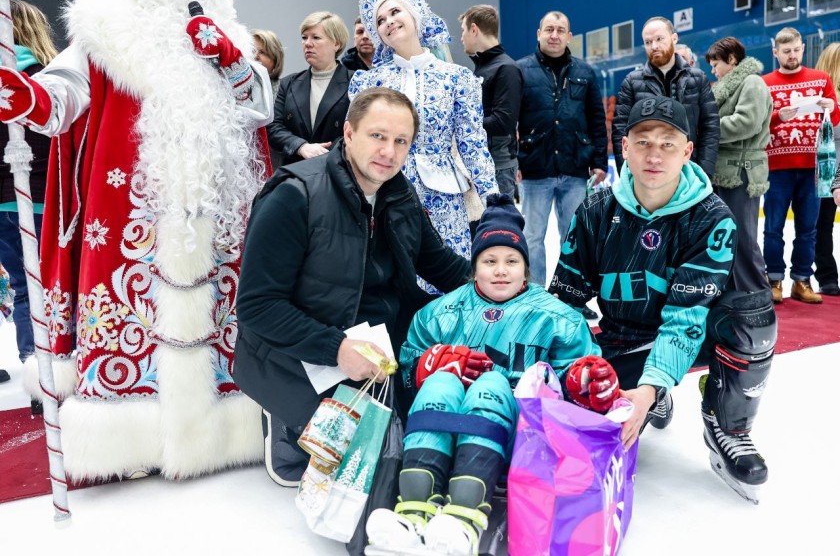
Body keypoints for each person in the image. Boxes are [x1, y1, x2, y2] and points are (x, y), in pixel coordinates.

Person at [0, 0, 274, 481]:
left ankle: (218, 435)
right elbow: (64, 95)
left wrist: (234, 63)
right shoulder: (106, 28)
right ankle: (130, 442)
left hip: (215, 219)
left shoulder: (231, 35)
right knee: (132, 322)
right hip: (130, 215)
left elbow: (260, 108)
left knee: (218, 322)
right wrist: (29, 98)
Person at [234, 87, 473, 487]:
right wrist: (337, 349)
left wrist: (508, 289)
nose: (389, 152)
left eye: (401, 141)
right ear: (348, 133)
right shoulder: (294, 195)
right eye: (377, 136)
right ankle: (285, 417)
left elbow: (442, 266)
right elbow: (257, 307)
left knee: (425, 441)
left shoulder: (400, 194)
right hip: (308, 346)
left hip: (382, 342)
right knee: (368, 468)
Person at [549, 97, 776, 505]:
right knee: (566, 387)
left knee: (751, 317)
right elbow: (564, 303)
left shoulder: (711, 217)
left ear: (687, 150)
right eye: (643, 142)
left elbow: (685, 318)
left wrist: (650, 386)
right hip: (620, 340)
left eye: (668, 143)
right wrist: (565, 369)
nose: (654, 155)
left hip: (690, 339)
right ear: (624, 147)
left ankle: (728, 425)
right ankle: (648, 387)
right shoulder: (595, 209)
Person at [365, 193, 615, 556]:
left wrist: (584, 381)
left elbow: (574, 379)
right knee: (438, 382)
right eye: (490, 260)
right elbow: (402, 383)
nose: (501, 270)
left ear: (526, 268)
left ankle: (465, 517)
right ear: (474, 266)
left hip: (519, 440)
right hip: (442, 426)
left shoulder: (557, 318)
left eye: (512, 260)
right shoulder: (439, 313)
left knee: (493, 383)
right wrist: (423, 367)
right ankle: (414, 510)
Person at [349, 0, 497, 284]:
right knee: (392, 280)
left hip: (444, 196)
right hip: (385, 194)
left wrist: (494, 200)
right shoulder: (369, 81)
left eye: (395, 11)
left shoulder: (457, 78)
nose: (387, 21)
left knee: (449, 280)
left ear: (415, 14)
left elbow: (472, 143)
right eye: (379, 20)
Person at [515, 11, 608, 295]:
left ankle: (574, 294)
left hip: (574, 168)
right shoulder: (520, 70)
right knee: (532, 237)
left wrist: (600, 160)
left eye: (560, 30)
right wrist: (513, 160)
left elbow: (596, 117)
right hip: (534, 168)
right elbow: (511, 122)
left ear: (569, 36)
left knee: (575, 237)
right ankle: (535, 295)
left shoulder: (585, 72)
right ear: (539, 34)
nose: (554, 35)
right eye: (549, 29)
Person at [762, 27, 840, 304]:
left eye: (795, 50)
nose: (792, 55)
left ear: (802, 49)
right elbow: (757, 123)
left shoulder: (820, 79)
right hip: (776, 167)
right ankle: (774, 280)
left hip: (813, 168)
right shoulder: (764, 83)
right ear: (776, 52)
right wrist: (775, 116)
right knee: (773, 228)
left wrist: (830, 106)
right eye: (786, 51)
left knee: (808, 229)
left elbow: (837, 119)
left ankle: (802, 281)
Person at [0, 0, 57, 373]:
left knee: (22, 289)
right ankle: (51, 373)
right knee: (49, 290)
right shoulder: (48, 82)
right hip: (41, 202)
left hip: (2, 205)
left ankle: (37, 375)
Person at [612, 16, 719, 177]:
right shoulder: (632, 82)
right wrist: (627, 173)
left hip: (689, 171)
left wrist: (703, 173)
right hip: (648, 172)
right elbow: (620, 130)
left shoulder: (698, 79)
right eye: (648, 42)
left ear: (674, 38)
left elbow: (710, 128)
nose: (654, 46)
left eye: (659, 39)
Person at [705, 36, 772, 293]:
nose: (713, 70)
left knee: (743, 238)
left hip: (741, 171)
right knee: (728, 237)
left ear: (732, 59)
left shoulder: (752, 82)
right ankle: (735, 293)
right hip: (724, 170)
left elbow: (747, 122)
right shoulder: (728, 86)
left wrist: (708, 129)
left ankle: (756, 294)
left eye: (716, 64)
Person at [266, 11, 353, 168]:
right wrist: (301, 146)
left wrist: (324, 153)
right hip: (295, 171)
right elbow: (273, 127)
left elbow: (359, 130)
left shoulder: (355, 81)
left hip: (337, 169)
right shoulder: (288, 83)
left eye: (316, 37)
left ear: (336, 44)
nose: (307, 43)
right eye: (304, 38)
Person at [460, 5, 522, 202]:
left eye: (463, 30)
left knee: (496, 229)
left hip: (498, 166)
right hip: (481, 162)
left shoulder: (506, 69)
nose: (461, 37)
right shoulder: (481, 69)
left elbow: (503, 122)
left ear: (474, 29)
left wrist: (463, 123)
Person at [813, 43, 840, 296]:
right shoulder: (821, 98)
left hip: (832, 170)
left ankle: (827, 275)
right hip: (826, 172)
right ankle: (826, 276)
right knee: (822, 225)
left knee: (822, 225)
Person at [252, 28, 284, 97]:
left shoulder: (283, 91)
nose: (255, 56)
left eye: (262, 52)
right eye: (253, 51)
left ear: (275, 61)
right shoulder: (232, 85)